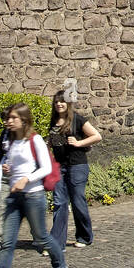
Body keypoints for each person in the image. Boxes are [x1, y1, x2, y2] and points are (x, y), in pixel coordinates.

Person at [0, 103, 71, 268]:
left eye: (13, 118)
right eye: (8, 118)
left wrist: (26, 179)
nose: (9, 121)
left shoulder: (35, 140)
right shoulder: (10, 140)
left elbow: (45, 168)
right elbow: (5, 161)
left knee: (42, 237)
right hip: (13, 196)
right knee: (8, 243)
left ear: (24, 120)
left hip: (33, 196)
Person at [49, 90, 101, 249]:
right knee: (59, 202)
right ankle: (57, 242)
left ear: (68, 104)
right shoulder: (53, 121)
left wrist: (78, 143)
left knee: (77, 201)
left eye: (62, 101)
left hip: (77, 165)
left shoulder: (77, 119)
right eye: (56, 101)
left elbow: (96, 136)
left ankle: (84, 236)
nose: (59, 104)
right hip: (59, 166)